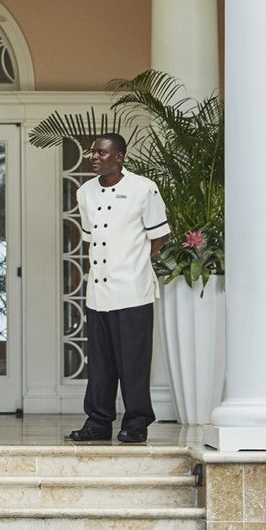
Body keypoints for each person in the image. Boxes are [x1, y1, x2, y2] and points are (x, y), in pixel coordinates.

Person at [67, 132, 168, 444]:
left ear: (119, 157)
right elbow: (90, 238)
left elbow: (159, 236)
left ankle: (136, 422)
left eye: (101, 153)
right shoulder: (85, 192)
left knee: (134, 362)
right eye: (93, 152)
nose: (94, 157)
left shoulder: (143, 189)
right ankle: (98, 422)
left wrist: (134, 264)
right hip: (98, 293)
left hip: (133, 291)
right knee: (100, 363)